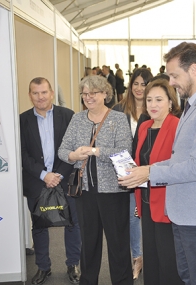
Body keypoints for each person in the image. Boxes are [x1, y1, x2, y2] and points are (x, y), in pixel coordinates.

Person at [119, 42, 196, 285]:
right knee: (188, 278)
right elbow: (179, 158)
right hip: (183, 213)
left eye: (174, 75)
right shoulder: (193, 106)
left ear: (193, 70)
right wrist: (147, 172)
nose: (171, 82)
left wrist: (150, 171)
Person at [58, 75, 133, 285]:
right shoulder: (77, 119)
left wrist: (95, 151)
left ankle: (123, 281)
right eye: (85, 94)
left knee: (118, 243)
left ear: (105, 94)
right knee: (89, 243)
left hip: (114, 192)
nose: (88, 97)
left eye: (93, 93)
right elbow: (63, 150)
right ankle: (88, 281)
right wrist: (73, 156)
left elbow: (125, 151)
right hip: (85, 192)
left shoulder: (118, 119)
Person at [20, 77, 81, 285]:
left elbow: (73, 149)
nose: (40, 97)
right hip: (37, 181)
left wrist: (58, 175)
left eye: (44, 92)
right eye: (35, 93)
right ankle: (43, 267)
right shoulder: (22, 120)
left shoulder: (68, 116)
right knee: (39, 225)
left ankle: (73, 264)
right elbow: (23, 153)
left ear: (52, 93)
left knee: (73, 223)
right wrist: (44, 175)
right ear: (30, 95)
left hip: (65, 178)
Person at [133, 78, 184, 285]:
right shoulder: (144, 126)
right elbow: (140, 161)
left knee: (168, 262)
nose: (153, 105)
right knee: (151, 260)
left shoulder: (177, 126)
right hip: (146, 201)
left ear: (171, 102)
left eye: (159, 100)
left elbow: (179, 164)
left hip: (167, 204)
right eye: (149, 100)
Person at [112, 67, 153, 279]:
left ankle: (147, 257)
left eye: (144, 84)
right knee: (131, 215)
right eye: (135, 83)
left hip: (149, 171)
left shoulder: (154, 110)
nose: (139, 88)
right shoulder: (119, 110)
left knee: (147, 216)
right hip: (125, 172)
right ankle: (137, 257)